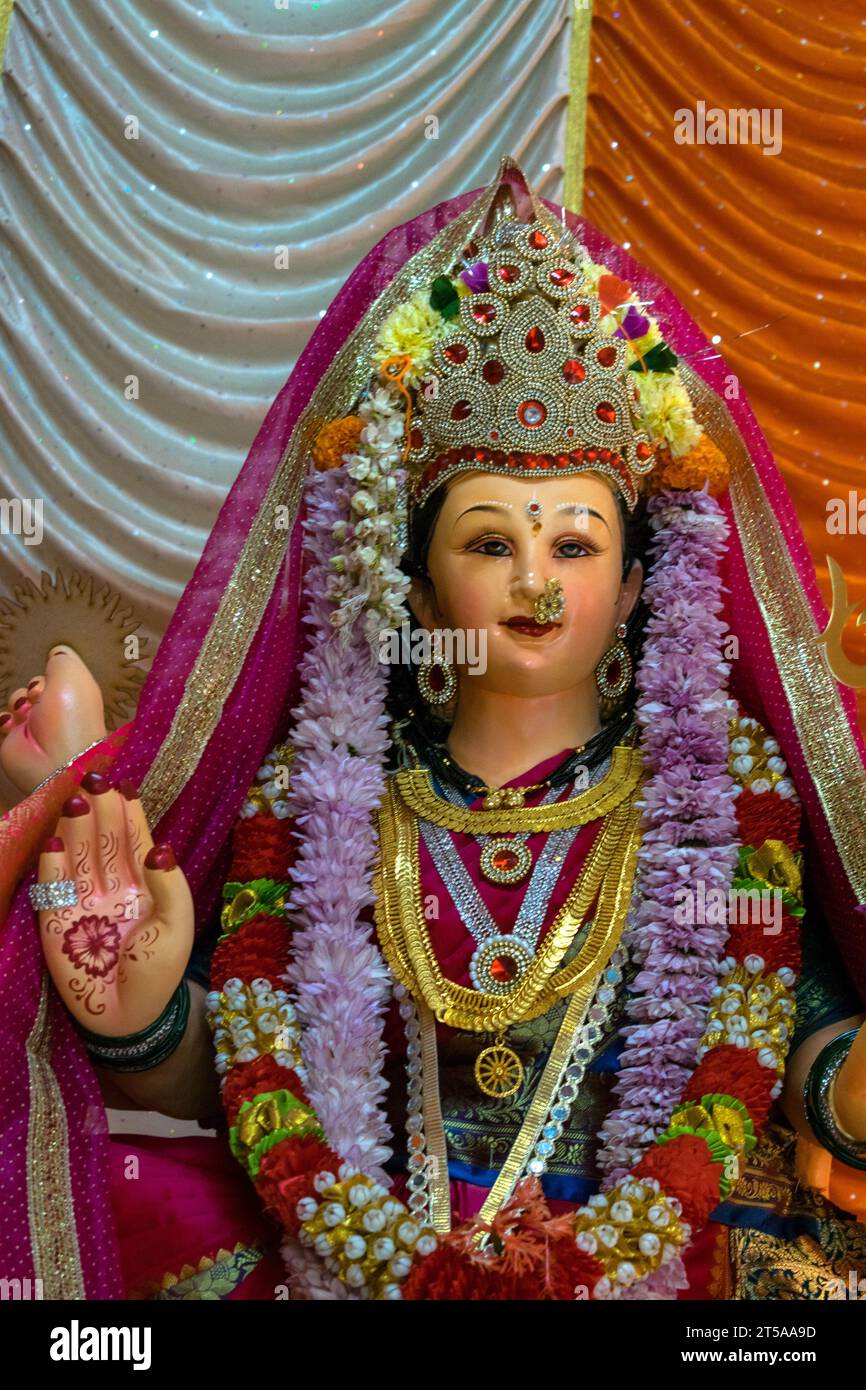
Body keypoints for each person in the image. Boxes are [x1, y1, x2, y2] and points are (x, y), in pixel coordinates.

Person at [2, 158, 866, 1301]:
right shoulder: (325, 797)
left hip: (635, 1262)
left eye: (571, 545)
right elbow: (253, 1080)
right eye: (487, 542)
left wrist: (847, 1086)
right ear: (413, 592)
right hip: (361, 1260)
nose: (535, 584)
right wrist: (148, 1016)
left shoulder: (707, 803)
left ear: (634, 586)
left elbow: (783, 1033)